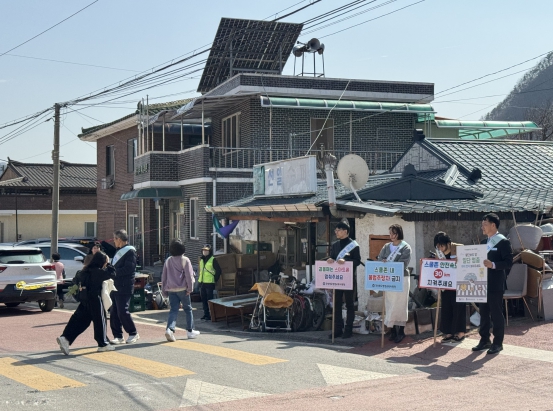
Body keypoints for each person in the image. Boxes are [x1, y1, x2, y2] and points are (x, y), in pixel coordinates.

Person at [56, 251, 116, 355]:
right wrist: (109, 264)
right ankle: (103, 344)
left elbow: (75, 280)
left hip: (84, 298)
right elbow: (112, 274)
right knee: (99, 321)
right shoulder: (97, 271)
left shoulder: (84, 271)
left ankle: (65, 337)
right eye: (105, 261)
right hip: (94, 299)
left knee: (79, 320)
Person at [472, 213, 513, 355]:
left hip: (496, 283)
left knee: (496, 313)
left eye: (485, 224)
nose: (482, 226)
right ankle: (484, 340)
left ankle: (498, 342)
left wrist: (493, 264)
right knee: (483, 312)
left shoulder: (503, 242)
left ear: (493, 225)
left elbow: (508, 263)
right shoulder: (483, 243)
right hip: (482, 283)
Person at [377, 224, 412, 344]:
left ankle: (401, 330)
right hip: (388, 279)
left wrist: (390, 264)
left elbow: (404, 263)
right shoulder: (386, 246)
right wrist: (383, 261)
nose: (391, 236)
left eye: (394, 233)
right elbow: (380, 258)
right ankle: (392, 330)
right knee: (390, 303)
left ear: (399, 233)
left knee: (400, 304)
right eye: (390, 233)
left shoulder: (405, 247)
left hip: (401, 278)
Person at [327, 221, 361, 339]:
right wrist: (330, 259)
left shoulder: (354, 245)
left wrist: (347, 262)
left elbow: (357, 261)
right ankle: (337, 329)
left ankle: (348, 329)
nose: (336, 232)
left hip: (348, 278)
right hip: (337, 278)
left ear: (345, 231)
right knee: (336, 304)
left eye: (338, 230)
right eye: (335, 230)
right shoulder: (335, 245)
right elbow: (332, 256)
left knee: (349, 304)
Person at [162, 239, 200, 341]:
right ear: (183, 249)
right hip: (183, 289)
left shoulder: (168, 261)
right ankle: (190, 331)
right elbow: (189, 275)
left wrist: (164, 291)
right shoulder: (185, 260)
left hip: (171, 289)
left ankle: (170, 329)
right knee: (188, 309)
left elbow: (164, 277)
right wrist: (190, 288)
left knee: (173, 310)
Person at [433, 232, 466, 343]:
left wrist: (459, 261)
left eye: (442, 246)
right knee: (446, 307)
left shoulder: (458, 249)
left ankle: (460, 332)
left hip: (459, 283)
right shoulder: (438, 254)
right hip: (446, 285)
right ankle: (448, 332)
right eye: (438, 246)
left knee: (459, 307)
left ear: (448, 243)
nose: (440, 248)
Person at [109, 229, 140, 344]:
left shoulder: (130, 251)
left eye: (115, 239)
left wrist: (113, 272)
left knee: (123, 310)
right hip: (115, 285)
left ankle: (133, 333)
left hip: (125, 285)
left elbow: (129, 268)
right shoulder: (118, 251)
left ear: (119, 239)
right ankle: (118, 336)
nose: (114, 241)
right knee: (114, 312)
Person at [198, 244, 221, 321]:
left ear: (209, 251)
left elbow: (218, 271)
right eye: (203, 250)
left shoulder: (213, 259)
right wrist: (199, 282)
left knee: (209, 299)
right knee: (203, 299)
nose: (204, 252)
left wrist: (215, 279)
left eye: (206, 250)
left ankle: (211, 315)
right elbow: (201, 271)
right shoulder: (201, 260)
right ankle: (206, 314)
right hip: (202, 282)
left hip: (210, 283)